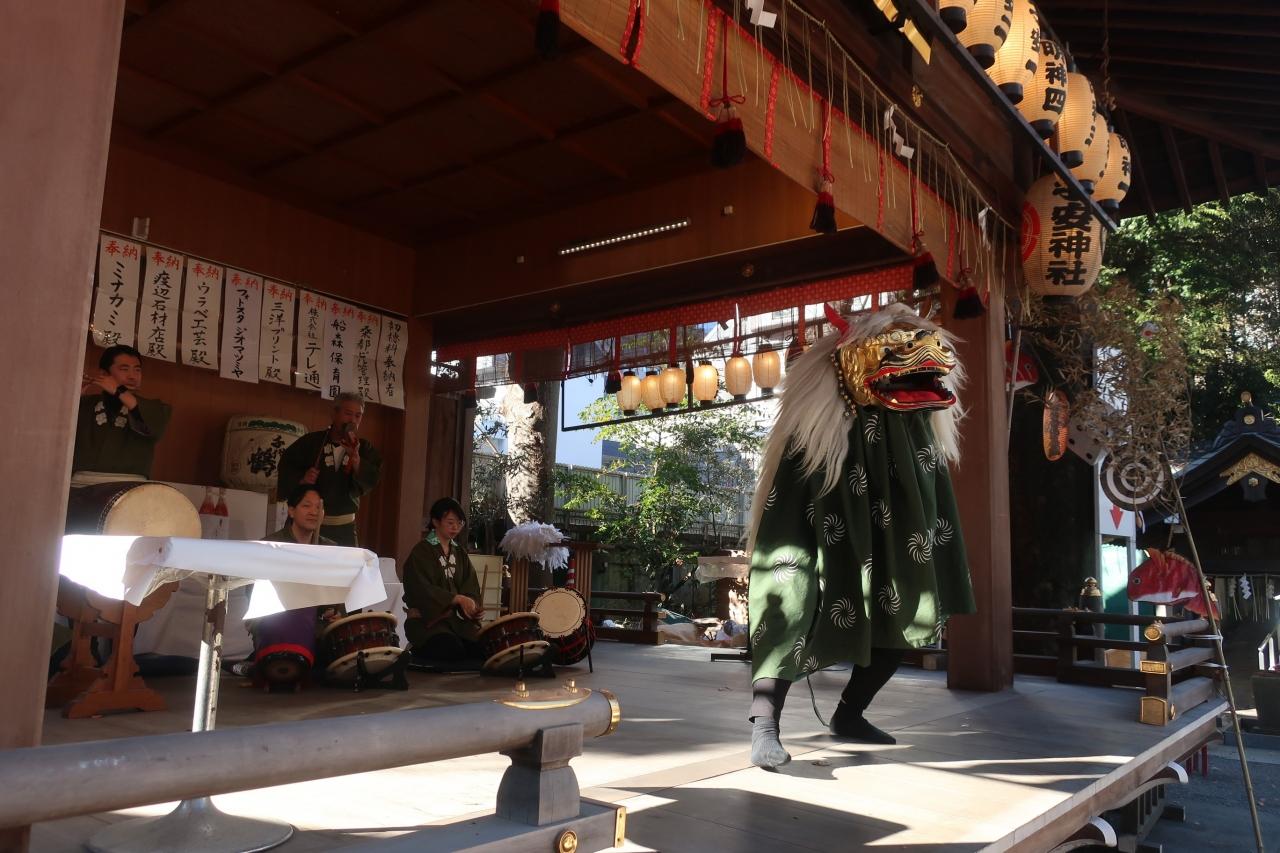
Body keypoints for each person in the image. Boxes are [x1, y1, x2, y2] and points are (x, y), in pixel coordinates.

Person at [746, 305, 975, 769]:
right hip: (821, 521)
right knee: (790, 608)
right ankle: (764, 727)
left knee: (906, 613)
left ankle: (850, 714)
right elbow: (791, 502)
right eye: (896, 350)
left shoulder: (914, 425)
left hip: (892, 527)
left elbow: (929, 492)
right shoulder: (814, 433)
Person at [276, 391, 382, 547]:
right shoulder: (310, 442)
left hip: (344, 528)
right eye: (348, 414)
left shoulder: (364, 448)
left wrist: (356, 460)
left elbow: (372, 478)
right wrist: (302, 479)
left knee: (344, 563)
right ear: (334, 413)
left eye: (358, 416)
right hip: (306, 526)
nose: (352, 420)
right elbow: (286, 467)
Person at [71, 344, 171, 485]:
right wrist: (73, 395)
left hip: (131, 488)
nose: (132, 376)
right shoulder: (84, 403)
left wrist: (119, 391)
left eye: (137, 370)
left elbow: (152, 428)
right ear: (104, 374)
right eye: (124, 369)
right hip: (80, 486)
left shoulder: (156, 408)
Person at [402, 498, 485, 661]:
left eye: (459, 523)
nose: (455, 527)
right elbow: (420, 589)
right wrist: (455, 599)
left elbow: (471, 587)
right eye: (450, 522)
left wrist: (472, 607)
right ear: (435, 522)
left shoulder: (460, 553)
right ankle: (416, 653)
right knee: (451, 650)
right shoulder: (421, 552)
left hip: (458, 622)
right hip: (428, 622)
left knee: (483, 648)